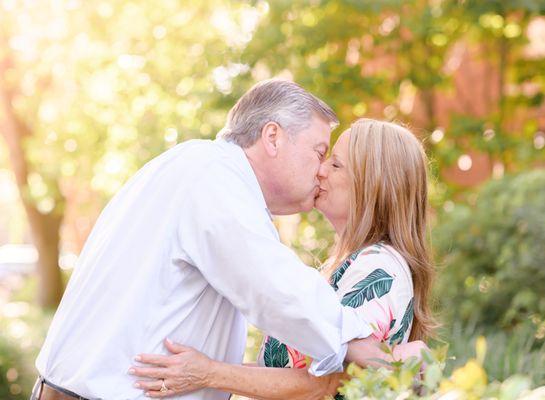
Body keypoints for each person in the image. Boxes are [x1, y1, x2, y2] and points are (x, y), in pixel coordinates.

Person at [31, 81, 422, 400]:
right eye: (320, 152)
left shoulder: (201, 172)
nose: (321, 170)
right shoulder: (211, 178)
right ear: (273, 137)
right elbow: (272, 286)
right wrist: (355, 340)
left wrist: (211, 373)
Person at [129, 119, 436, 399]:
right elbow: (295, 375)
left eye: (336, 164)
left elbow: (327, 385)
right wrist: (202, 371)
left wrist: (209, 372)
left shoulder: (378, 269)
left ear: (373, 185)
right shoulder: (352, 265)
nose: (321, 170)